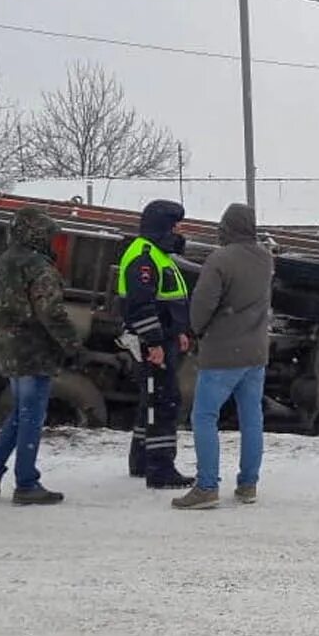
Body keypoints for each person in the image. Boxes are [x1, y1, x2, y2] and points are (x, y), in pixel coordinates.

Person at [0, 208, 82, 506]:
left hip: (7, 348)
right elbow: (51, 312)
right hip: (34, 350)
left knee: (20, 412)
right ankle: (26, 482)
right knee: (31, 416)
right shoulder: (37, 267)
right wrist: (72, 345)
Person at [173, 203, 273, 510]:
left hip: (223, 353)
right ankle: (248, 484)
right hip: (255, 352)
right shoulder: (266, 258)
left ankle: (206, 487)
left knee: (204, 416)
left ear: (226, 227)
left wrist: (195, 330)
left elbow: (202, 307)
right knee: (251, 418)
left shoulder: (220, 260)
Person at [119, 200, 194, 489]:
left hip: (165, 338)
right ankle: (160, 468)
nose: (179, 231)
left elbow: (169, 301)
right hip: (154, 342)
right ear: (163, 226)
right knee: (163, 401)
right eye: (175, 225)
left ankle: (141, 460)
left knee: (152, 400)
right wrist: (154, 342)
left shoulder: (159, 255)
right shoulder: (145, 256)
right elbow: (140, 305)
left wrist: (179, 332)